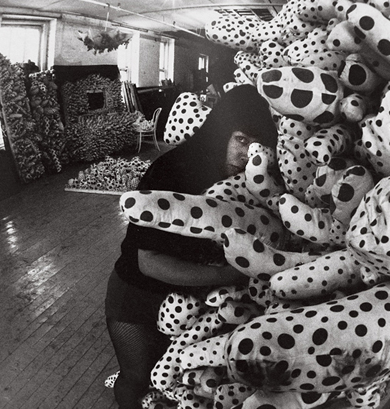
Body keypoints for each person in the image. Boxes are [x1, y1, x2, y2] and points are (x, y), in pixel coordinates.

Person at [105, 84, 278, 409]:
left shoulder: (250, 181)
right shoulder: (172, 170)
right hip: (139, 296)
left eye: (257, 146)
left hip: (192, 307)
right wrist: (234, 275)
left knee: (174, 384)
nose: (247, 155)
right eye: (241, 140)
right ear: (219, 131)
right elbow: (149, 262)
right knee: (137, 378)